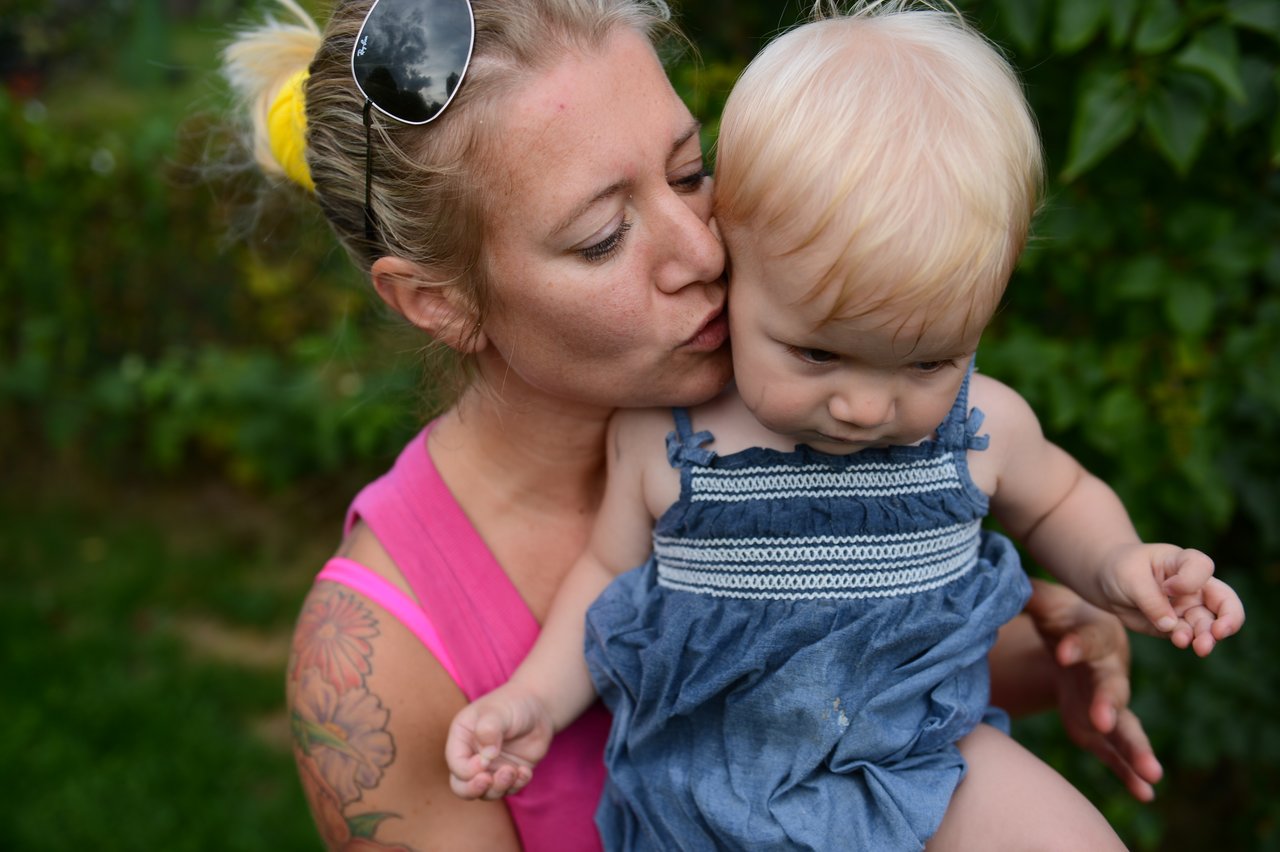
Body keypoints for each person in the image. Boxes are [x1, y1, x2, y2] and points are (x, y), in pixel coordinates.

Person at [222, 0, 1175, 849]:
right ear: (437, 301)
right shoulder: (373, 665)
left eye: (689, 172)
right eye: (602, 236)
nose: (702, 250)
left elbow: (831, 691)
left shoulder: (829, 426)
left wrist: (1051, 657)